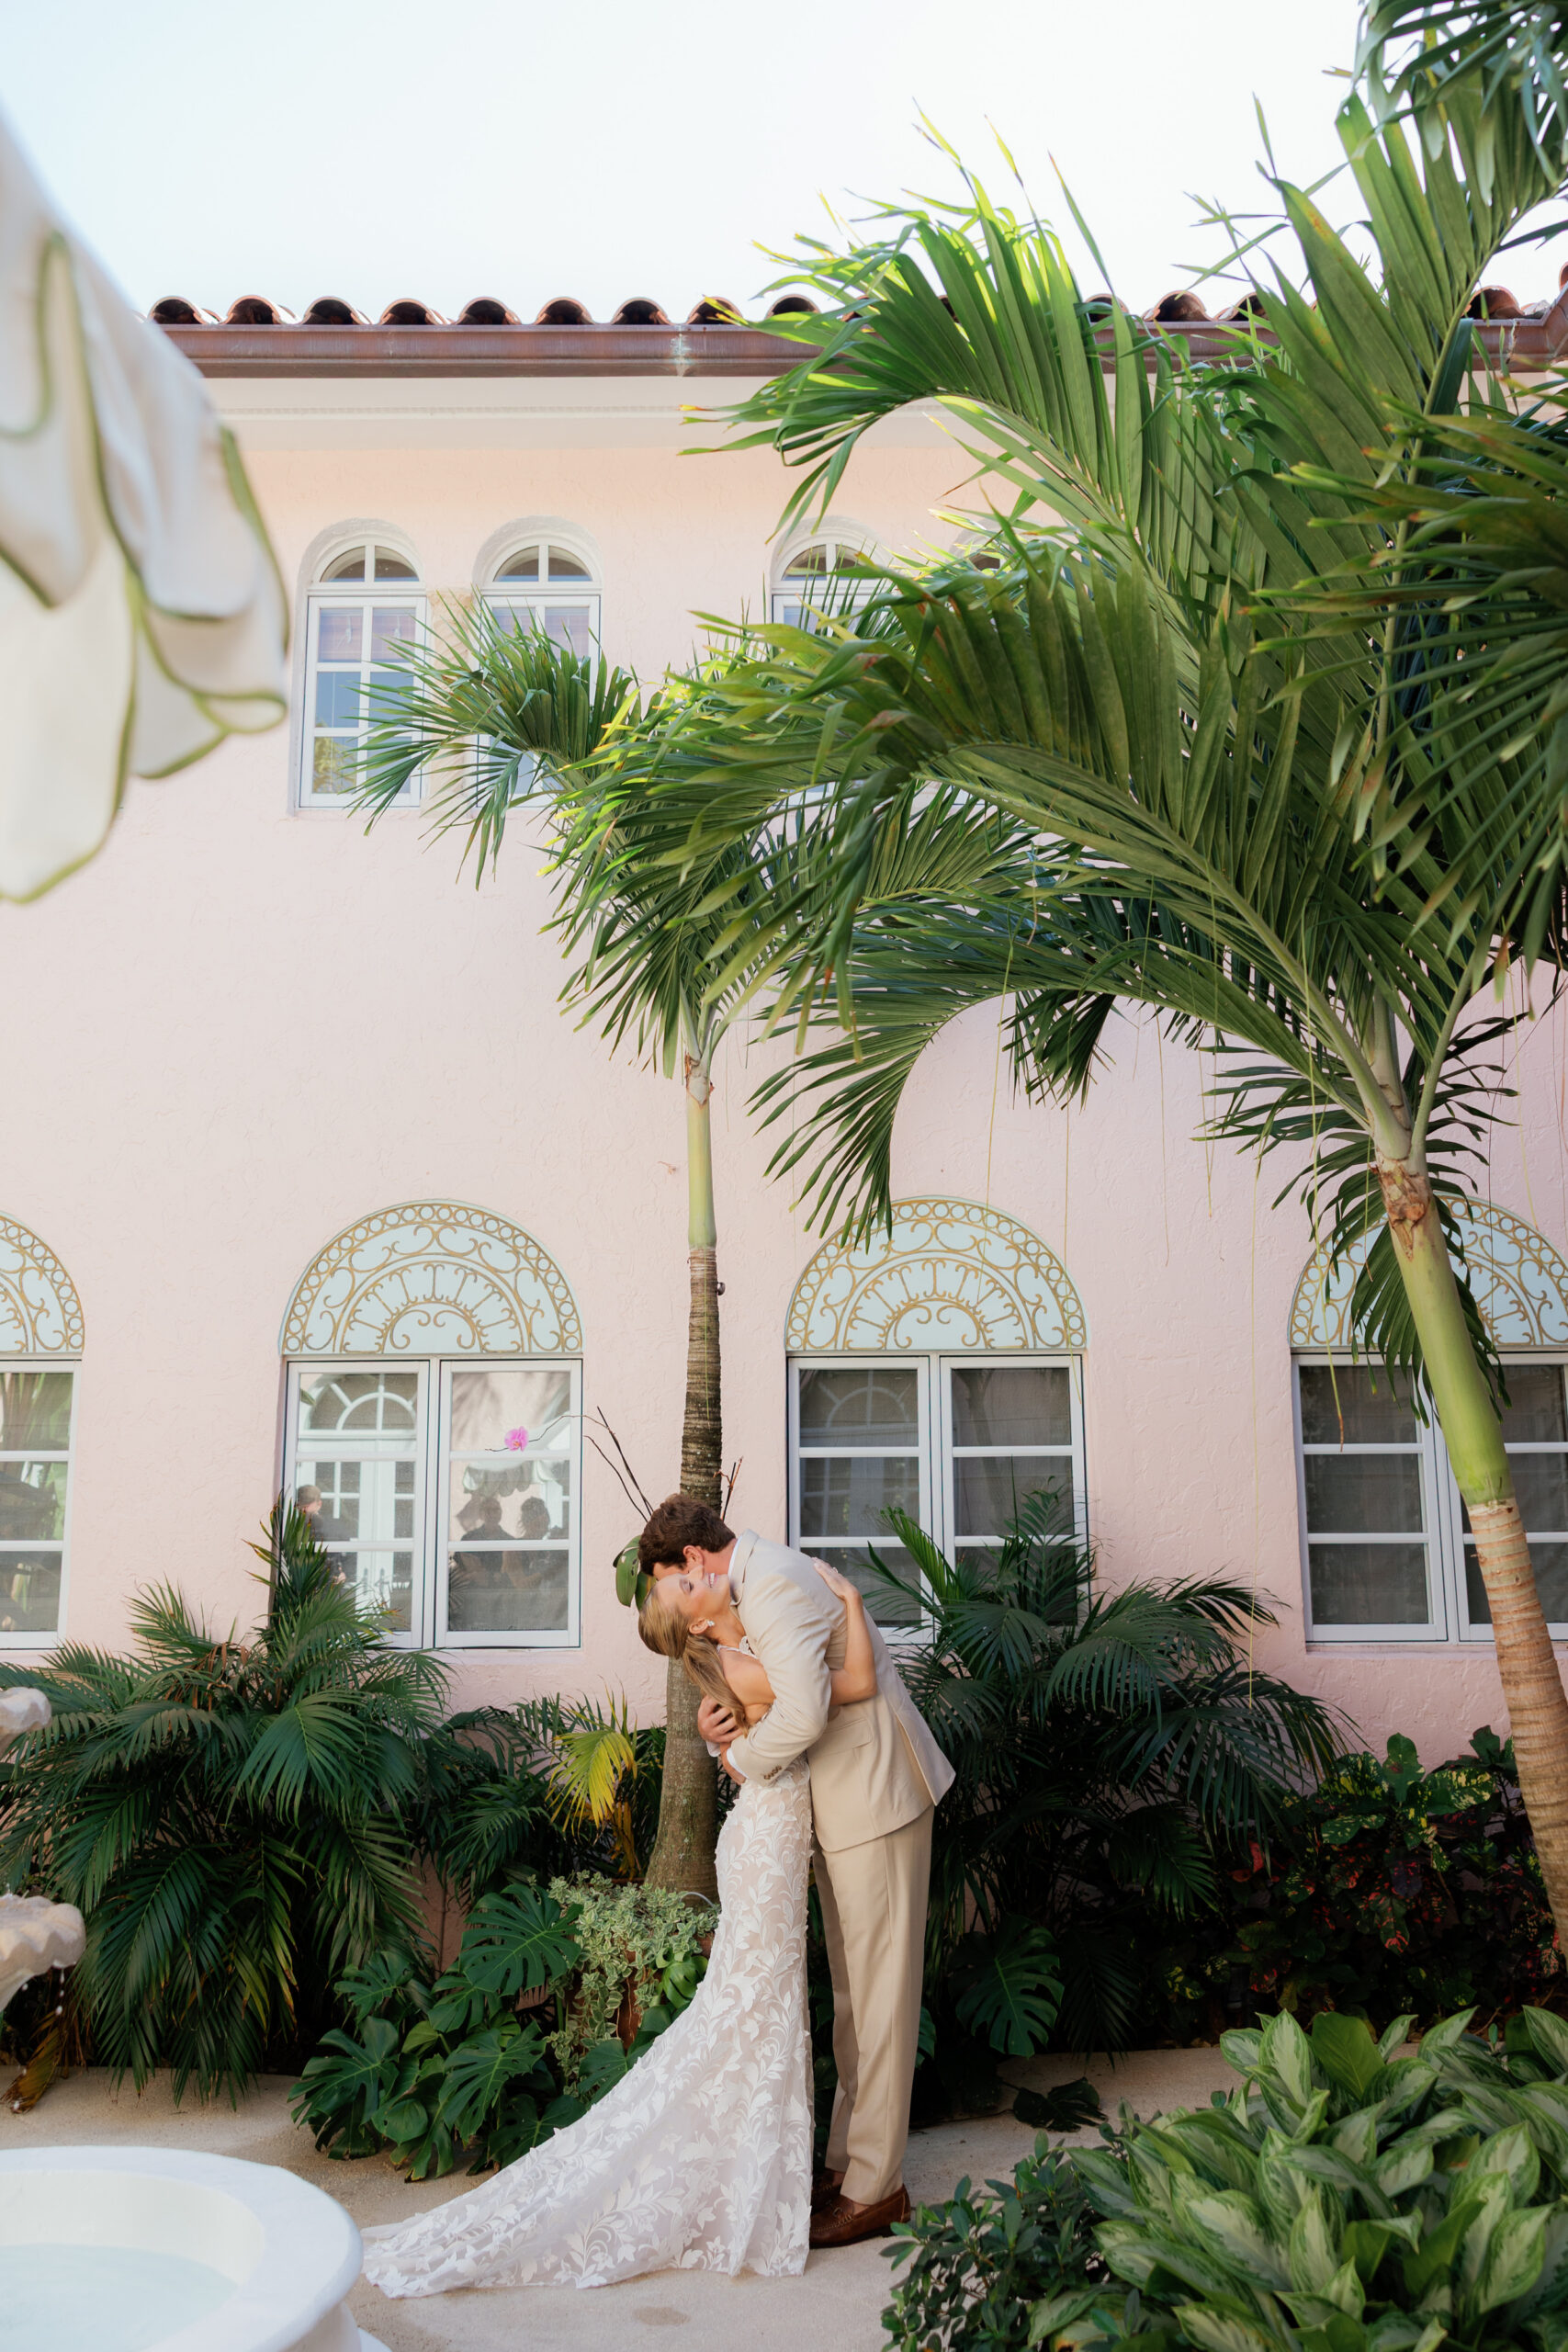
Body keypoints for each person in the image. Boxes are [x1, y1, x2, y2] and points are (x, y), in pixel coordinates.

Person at [361, 1543, 879, 2297]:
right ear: (697, 1627)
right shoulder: (742, 1662)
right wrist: (853, 1608)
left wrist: (728, 1733)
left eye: (684, 1575)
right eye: (681, 1587)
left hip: (768, 1831)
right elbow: (852, 1684)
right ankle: (734, 2184)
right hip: (766, 1838)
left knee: (754, 2012)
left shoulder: (745, 1645)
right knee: (754, 2010)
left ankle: (748, 2174)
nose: (692, 1578)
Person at [638, 1497, 953, 2250]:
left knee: (877, 2001)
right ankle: (850, 2167)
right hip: (843, 1806)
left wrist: (736, 1760)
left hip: (874, 1797)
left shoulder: (772, 1580)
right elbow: (787, 1686)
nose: (676, 1599)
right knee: (853, 1998)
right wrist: (727, 1722)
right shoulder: (755, 1588)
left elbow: (809, 1710)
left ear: (692, 1562)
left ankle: (875, 2189)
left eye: (668, 1583)